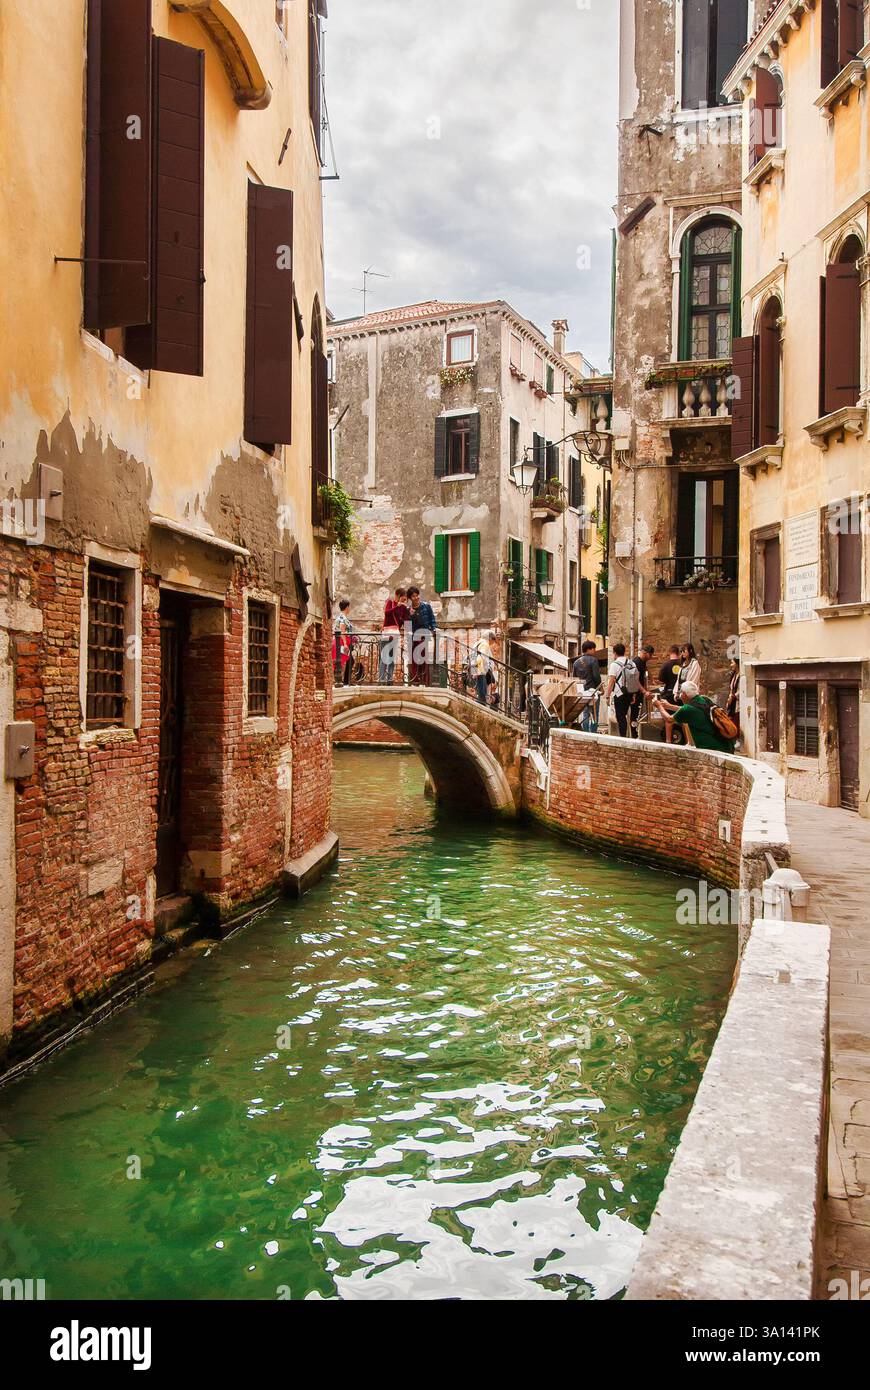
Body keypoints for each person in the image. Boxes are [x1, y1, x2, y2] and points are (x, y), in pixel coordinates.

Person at [655, 680, 737, 754]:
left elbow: (669, 719)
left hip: (713, 749)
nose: (679, 696)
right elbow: (689, 711)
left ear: (684, 694)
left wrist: (659, 706)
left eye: (681, 693)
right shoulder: (704, 699)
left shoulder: (687, 709)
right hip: (725, 745)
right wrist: (669, 706)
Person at [605, 641, 641, 738]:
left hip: (619, 694)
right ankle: (627, 735)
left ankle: (623, 737)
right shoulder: (632, 663)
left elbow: (611, 682)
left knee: (620, 717)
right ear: (624, 652)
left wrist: (607, 696)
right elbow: (635, 680)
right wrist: (634, 695)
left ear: (614, 653)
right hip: (630, 693)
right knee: (625, 716)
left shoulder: (614, 664)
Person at [407, 585, 436, 685]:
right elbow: (407, 625)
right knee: (415, 659)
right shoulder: (408, 609)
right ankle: (415, 680)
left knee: (424, 659)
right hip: (414, 636)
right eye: (413, 596)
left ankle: (425, 680)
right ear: (410, 598)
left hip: (424, 635)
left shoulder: (426, 606)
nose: (416, 598)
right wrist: (410, 615)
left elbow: (432, 619)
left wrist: (433, 629)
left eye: (417, 595)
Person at [379, 587, 408, 684]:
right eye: (402, 598)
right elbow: (386, 613)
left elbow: (404, 621)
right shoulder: (390, 603)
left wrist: (408, 612)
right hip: (387, 632)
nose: (404, 600)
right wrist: (397, 606)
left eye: (405, 599)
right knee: (384, 657)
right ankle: (382, 679)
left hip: (395, 634)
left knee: (391, 657)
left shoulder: (403, 607)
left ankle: (390, 679)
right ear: (397, 596)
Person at [572, 640, 601, 732]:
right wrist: (600, 688)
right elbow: (596, 677)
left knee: (585, 713)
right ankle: (593, 733)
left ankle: (585, 732)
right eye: (594, 649)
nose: (595, 651)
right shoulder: (594, 660)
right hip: (593, 691)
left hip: (582, 692)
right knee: (594, 713)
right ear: (589, 649)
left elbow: (574, 678)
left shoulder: (576, 662)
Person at [629, 642, 654, 738]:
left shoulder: (642, 662)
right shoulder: (637, 662)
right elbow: (635, 680)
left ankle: (634, 732)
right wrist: (644, 691)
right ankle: (634, 734)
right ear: (644, 652)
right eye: (650, 655)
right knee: (634, 714)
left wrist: (652, 678)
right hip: (635, 693)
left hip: (638, 692)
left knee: (637, 713)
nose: (651, 657)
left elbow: (646, 668)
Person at [334, 599, 354, 686]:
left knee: (347, 660)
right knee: (346, 661)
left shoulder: (341, 617)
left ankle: (344, 681)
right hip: (342, 642)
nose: (349, 609)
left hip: (342, 642)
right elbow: (342, 630)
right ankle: (343, 681)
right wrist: (345, 644)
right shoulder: (343, 618)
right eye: (349, 607)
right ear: (347, 607)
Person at [471, 631, 495, 705]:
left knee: (479, 688)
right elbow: (481, 657)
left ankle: (480, 701)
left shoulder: (477, 643)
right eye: (493, 640)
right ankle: (481, 702)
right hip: (480, 669)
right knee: (482, 692)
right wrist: (480, 670)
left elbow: (474, 657)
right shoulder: (485, 644)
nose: (492, 643)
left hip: (475, 667)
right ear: (490, 639)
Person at [726, 657, 740, 726]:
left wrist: (733, 697)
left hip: (737, 704)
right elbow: (731, 689)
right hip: (732, 705)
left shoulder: (741, 676)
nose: (730, 665)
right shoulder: (733, 675)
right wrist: (729, 699)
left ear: (737, 664)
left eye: (732, 663)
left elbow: (741, 691)